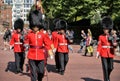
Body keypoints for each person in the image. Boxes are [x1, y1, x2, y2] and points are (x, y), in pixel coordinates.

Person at [24, 1, 54, 81]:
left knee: (41, 71)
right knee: (33, 72)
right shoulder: (29, 34)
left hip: (40, 55)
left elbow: (47, 43)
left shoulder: (43, 34)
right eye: (34, 26)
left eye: (36, 26)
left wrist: (50, 52)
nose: (35, 28)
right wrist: (26, 45)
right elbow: (26, 40)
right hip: (31, 55)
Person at [96, 16, 117, 81]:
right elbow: (99, 45)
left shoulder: (113, 36)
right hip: (103, 53)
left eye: (106, 29)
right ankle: (106, 79)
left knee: (111, 67)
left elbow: (115, 45)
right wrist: (98, 52)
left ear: (109, 29)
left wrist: (115, 45)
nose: (105, 30)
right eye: (104, 29)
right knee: (105, 68)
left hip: (110, 53)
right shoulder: (100, 36)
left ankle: (107, 76)